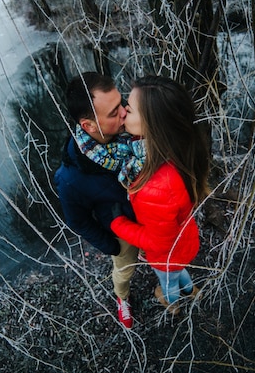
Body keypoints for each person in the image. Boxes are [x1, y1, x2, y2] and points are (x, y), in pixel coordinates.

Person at [111, 75, 210, 315]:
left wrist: (118, 223)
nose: (123, 112)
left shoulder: (156, 186)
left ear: (153, 125)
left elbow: (158, 242)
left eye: (130, 110)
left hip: (167, 253)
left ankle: (172, 303)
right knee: (178, 271)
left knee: (167, 281)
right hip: (183, 241)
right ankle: (191, 289)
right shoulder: (175, 152)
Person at [53, 72, 139, 328]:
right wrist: (111, 246)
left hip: (150, 215)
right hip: (123, 228)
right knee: (125, 269)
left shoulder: (136, 131)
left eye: (122, 103)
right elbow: (77, 221)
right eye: (114, 113)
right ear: (89, 126)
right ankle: (122, 297)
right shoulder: (70, 178)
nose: (125, 112)